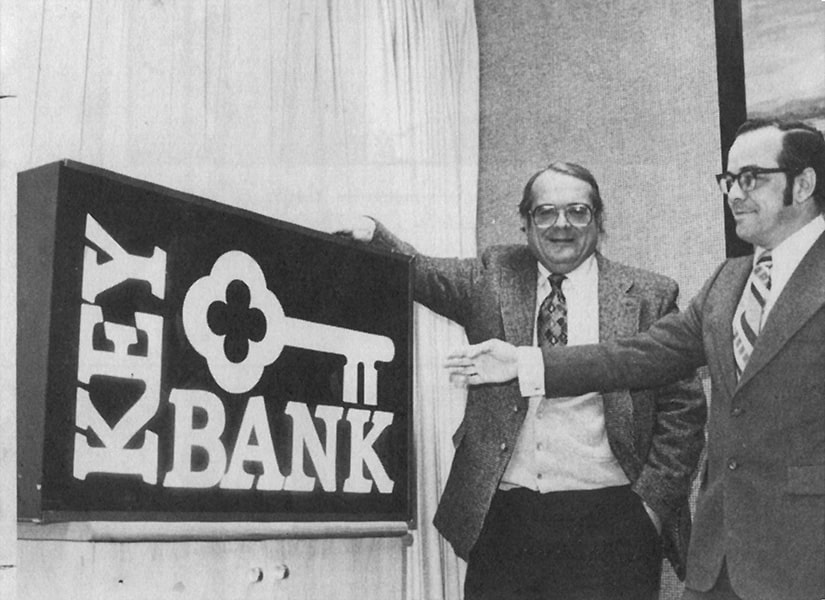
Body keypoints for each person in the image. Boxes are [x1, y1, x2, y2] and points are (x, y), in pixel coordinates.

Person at [445, 120, 825, 600]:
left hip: (809, 555)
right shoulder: (728, 281)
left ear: (804, 184)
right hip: (720, 562)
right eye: (728, 180)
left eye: (750, 178)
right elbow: (638, 355)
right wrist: (525, 364)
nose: (733, 194)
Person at [338, 161, 706, 600]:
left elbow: (683, 410)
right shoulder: (493, 275)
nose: (561, 225)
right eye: (545, 212)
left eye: (578, 211)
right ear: (525, 223)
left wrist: (649, 507)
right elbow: (420, 273)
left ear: (599, 220)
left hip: (612, 519)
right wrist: (369, 232)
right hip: (506, 519)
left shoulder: (649, 295)